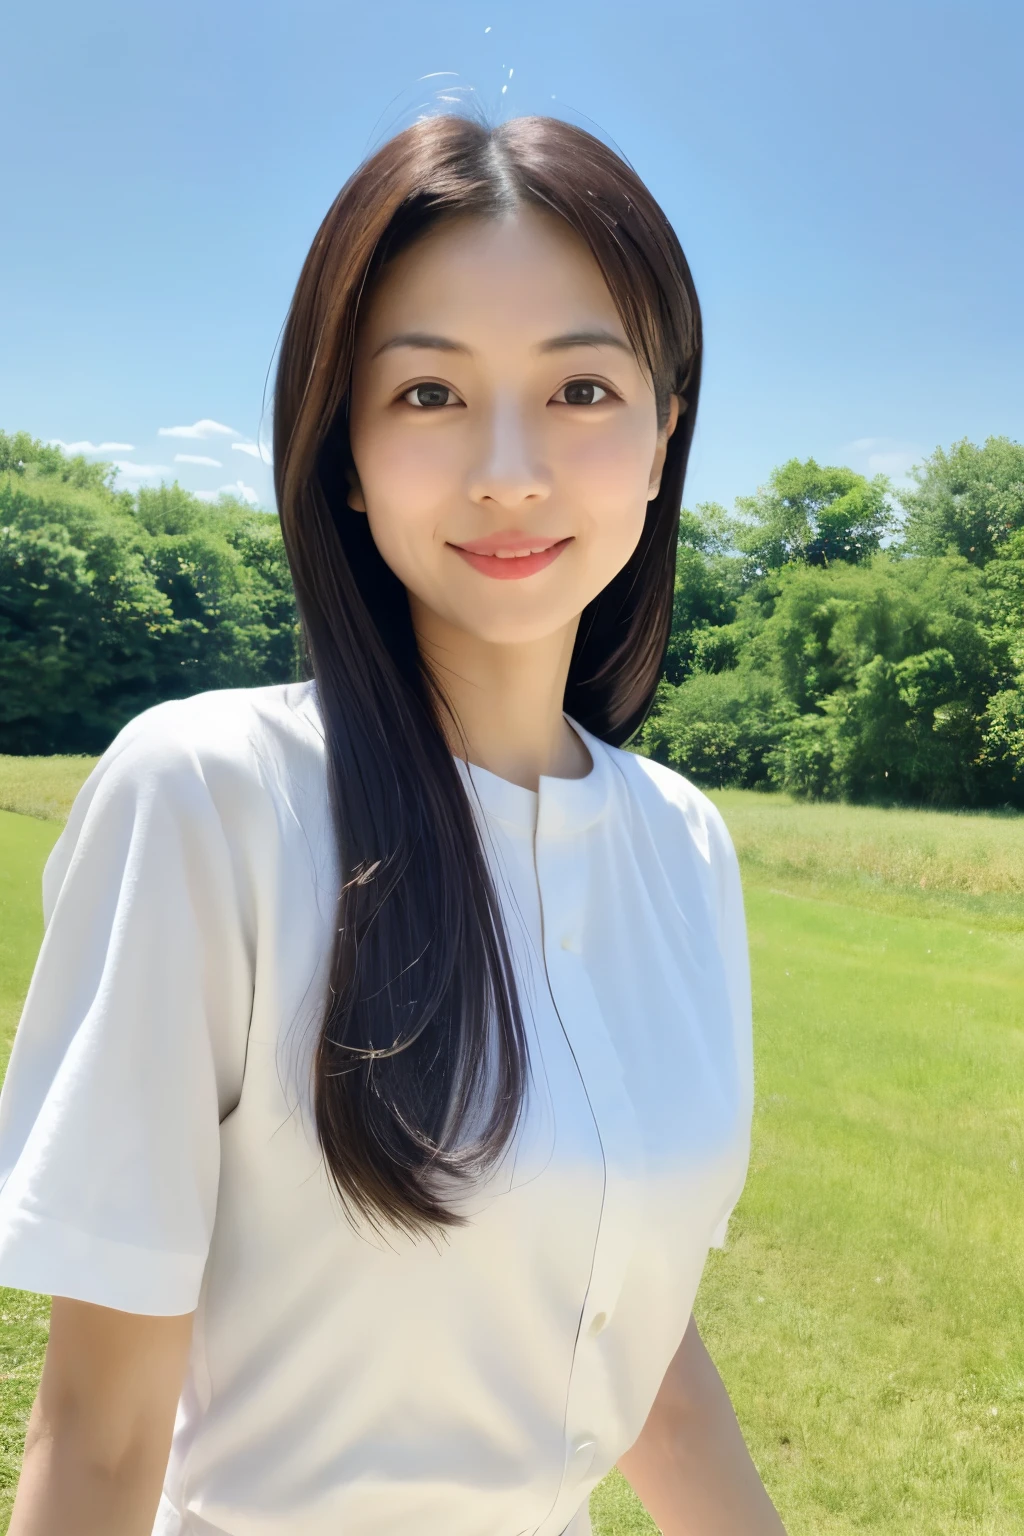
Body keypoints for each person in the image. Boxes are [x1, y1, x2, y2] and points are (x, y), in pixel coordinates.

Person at [0, 114, 786, 1536]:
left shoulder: (684, 845)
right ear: (344, 450)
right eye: (427, 394)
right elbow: (103, 1432)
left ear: (666, 436)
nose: (508, 470)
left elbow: (637, 1343)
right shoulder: (206, 795)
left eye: (583, 390)